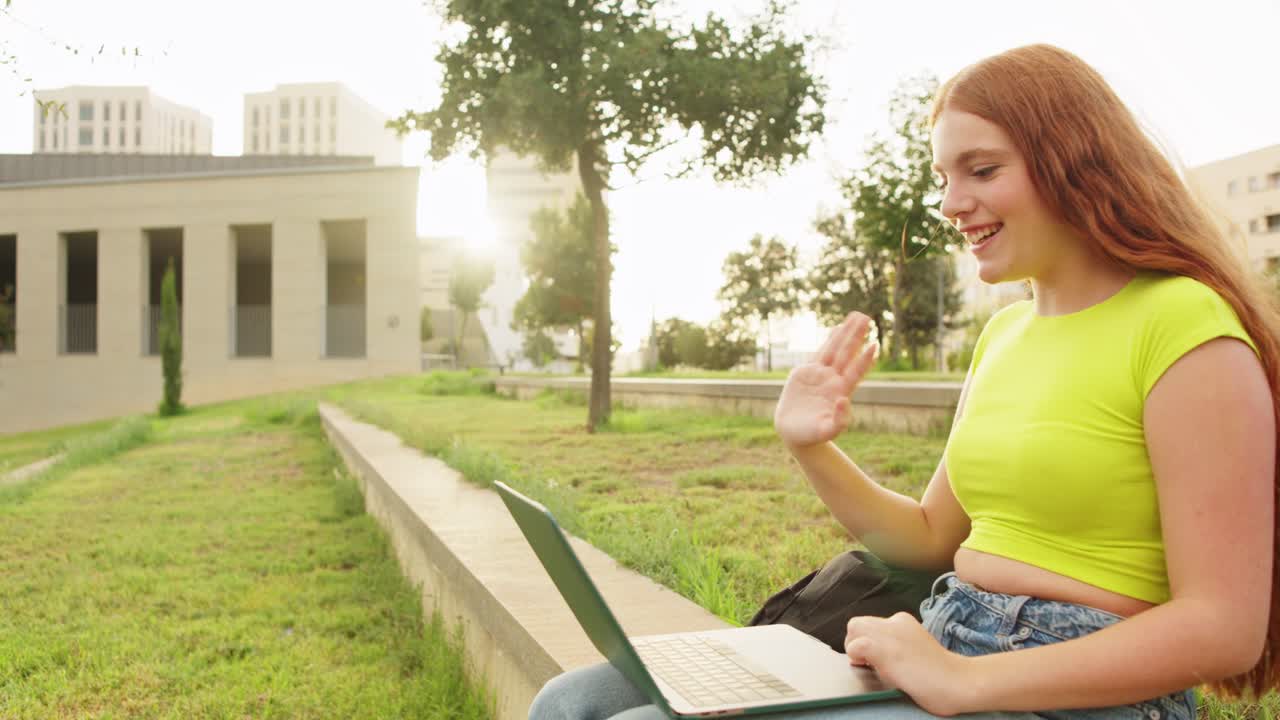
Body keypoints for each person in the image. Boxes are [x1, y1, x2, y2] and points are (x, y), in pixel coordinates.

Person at [529, 44, 1280, 719]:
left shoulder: (1185, 326)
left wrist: (963, 682)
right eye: (944, 177)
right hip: (944, 636)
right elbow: (926, 540)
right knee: (573, 702)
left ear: (1075, 160)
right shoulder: (1006, 334)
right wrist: (811, 447)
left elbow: (1224, 629)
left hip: (1081, 691)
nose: (952, 203)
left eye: (981, 170)